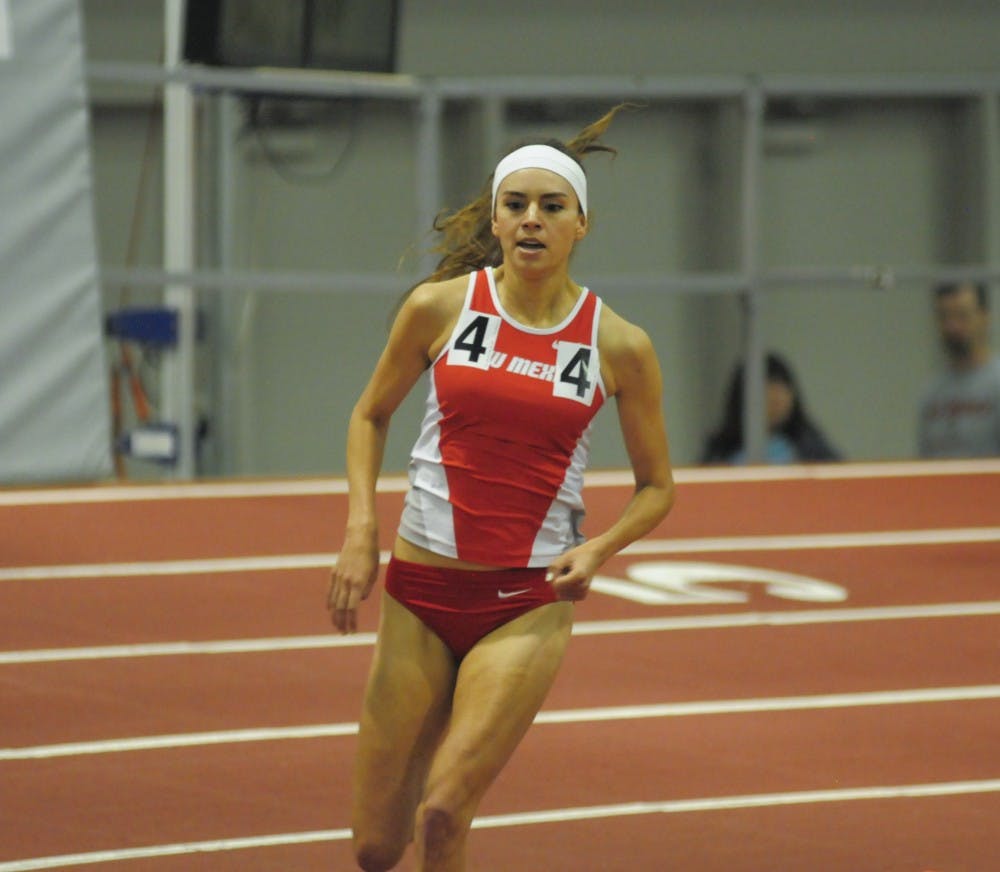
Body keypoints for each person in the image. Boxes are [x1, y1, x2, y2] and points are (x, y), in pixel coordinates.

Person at [326, 105, 675, 872]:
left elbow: (657, 487)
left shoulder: (618, 344)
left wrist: (600, 550)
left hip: (523, 605)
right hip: (418, 591)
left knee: (446, 812)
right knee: (376, 847)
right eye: (515, 205)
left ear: (581, 225)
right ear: (495, 218)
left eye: (552, 207)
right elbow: (368, 414)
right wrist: (361, 529)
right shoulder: (441, 307)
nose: (531, 221)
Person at [701, 351, 840, 465]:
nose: (776, 403)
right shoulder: (720, 453)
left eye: (781, 395)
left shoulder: (812, 448)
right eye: (768, 398)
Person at [918, 281, 1000, 458]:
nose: (953, 327)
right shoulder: (932, 392)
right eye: (945, 317)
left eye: (962, 316)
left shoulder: (996, 382)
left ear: (984, 317)